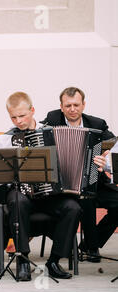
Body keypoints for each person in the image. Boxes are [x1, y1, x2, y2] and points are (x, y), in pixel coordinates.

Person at [0, 91, 83, 281]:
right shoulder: (5, 139)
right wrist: (8, 169)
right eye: (13, 117)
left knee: (73, 208)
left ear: (32, 111)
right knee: (18, 201)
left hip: (51, 195)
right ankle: (22, 259)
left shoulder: (52, 132)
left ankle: (54, 261)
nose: (18, 121)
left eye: (22, 115)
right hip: (21, 193)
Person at [42, 87, 115, 262]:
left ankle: (91, 242)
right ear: (61, 106)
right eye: (68, 105)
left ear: (83, 105)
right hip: (63, 186)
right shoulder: (51, 120)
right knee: (85, 199)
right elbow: (37, 137)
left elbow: (113, 145)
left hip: (96, 182)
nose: (72, 109)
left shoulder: (97, 124)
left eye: (76, 104)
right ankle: (91, 247)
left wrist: (106, 163)